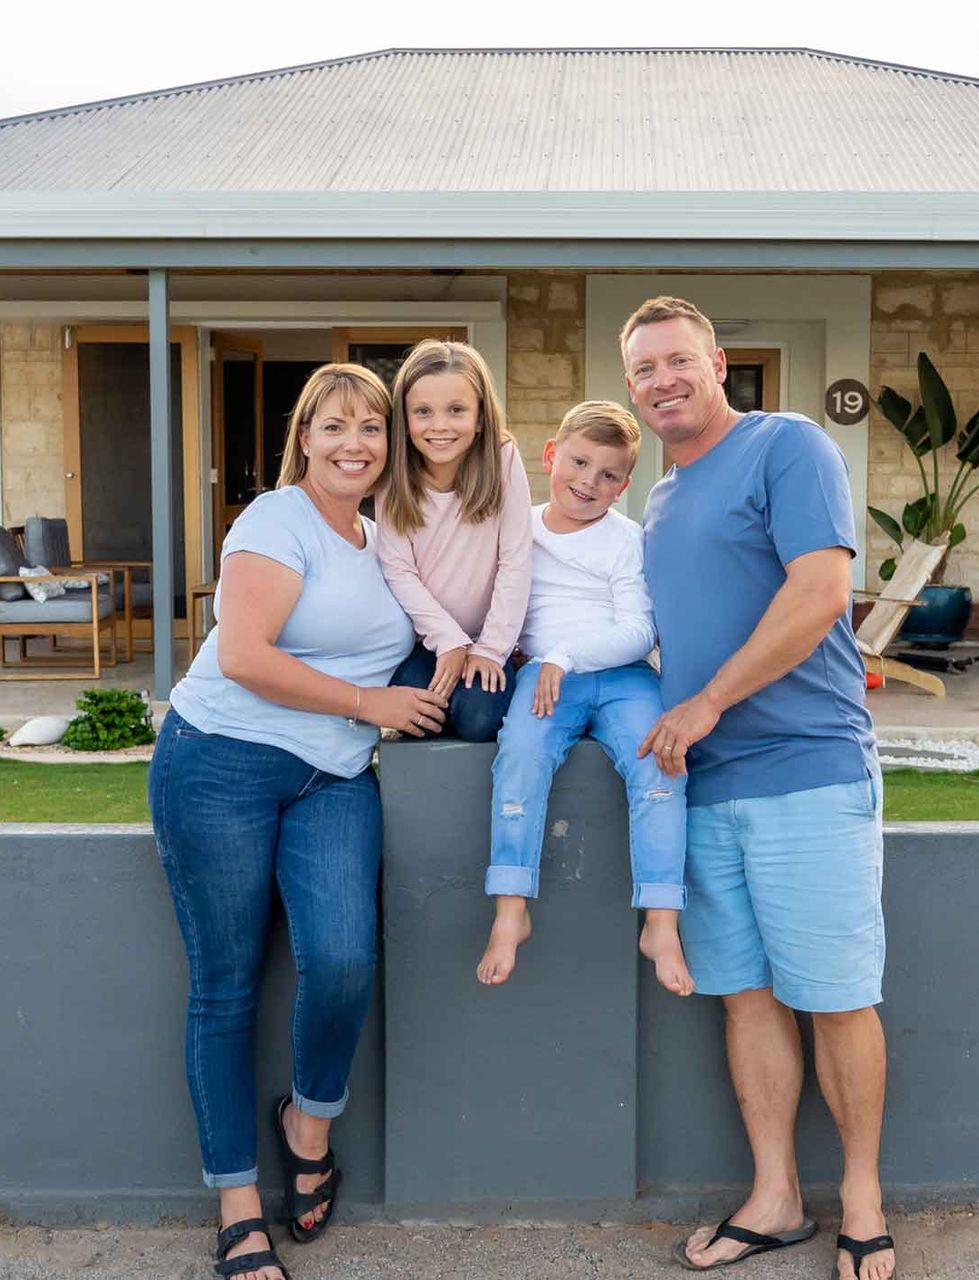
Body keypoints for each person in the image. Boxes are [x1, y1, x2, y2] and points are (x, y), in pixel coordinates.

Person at [150, 363, 449, 1280]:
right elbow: (242, 655)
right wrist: (371, 702)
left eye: (372, 428)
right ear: (305, 438)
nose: (354, 443)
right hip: (221, 763)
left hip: (333, 780)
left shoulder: (389, 535)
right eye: (334, 427)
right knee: (226, 986)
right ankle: (239, 1201)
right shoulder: (276, 520)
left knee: (345, 958)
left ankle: (306, 1123)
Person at [624, 297, 894, 1280]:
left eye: (676, 359)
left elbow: (821, 590)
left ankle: (861, 1197)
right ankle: (776, 1196)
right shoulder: (658, 496)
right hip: (703, 788)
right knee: (744, 995)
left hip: (807, 771)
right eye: (644, 368)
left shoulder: (790, 444)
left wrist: (705, 701)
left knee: (836, 995)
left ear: (719, 361)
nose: (662, 379)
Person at [475, 400, 693, 996]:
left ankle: (661, 918)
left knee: (659, 765)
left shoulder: (626, 541)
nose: (588, 482)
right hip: (544, 681)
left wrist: (564, 654)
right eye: (578, 463)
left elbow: (639, 630)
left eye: (607, 475)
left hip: (621, 676)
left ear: (624, 485)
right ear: (551, 456)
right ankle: (511, 908)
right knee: (520, 756)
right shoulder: (518, 527)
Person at [376, 340, 533, 743]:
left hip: (487, 637)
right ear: (405, 420)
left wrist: (492, 649)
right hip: (425, 639)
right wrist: (448, 641)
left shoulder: (503, 458)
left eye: (457, 410)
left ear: (481, 417)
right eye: (423, 412)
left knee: (479, 719)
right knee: (419, 716)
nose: (440, 425)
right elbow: (398, 568)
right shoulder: (394, 474)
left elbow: (515, 560)